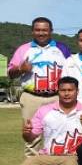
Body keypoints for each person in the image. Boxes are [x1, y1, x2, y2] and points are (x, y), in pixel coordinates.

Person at [8, 17, 71, 156]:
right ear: (32, 31)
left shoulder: (62, 48)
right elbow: (11, 74)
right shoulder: (24, 49)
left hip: (56, 97)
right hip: (32, 97)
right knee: (31, 136)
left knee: (57, 133)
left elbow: (71, 73)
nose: (41, 33)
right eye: (37, 30)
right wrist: (20, 68)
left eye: (44, 30)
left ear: (51, 31)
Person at [14, 77, 82, 165]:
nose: (66, 93)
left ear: (77, 91)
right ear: (58, 91)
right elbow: (30, 138)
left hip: (72, 156)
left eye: (70, 90)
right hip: (47, 155)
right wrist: (26, 133)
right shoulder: (44, 110)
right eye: (63, 90)